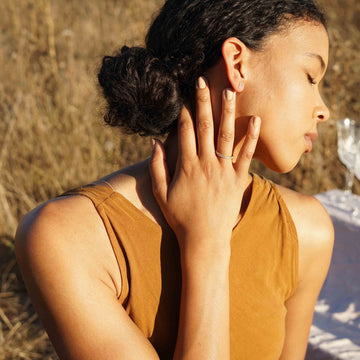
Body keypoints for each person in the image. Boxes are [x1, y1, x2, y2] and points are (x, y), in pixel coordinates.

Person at [15, 0, 334, 359]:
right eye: (310, 77)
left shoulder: (306, 232)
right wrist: (207, 244)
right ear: (237, 63)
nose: (324, 109)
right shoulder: (68, 235)